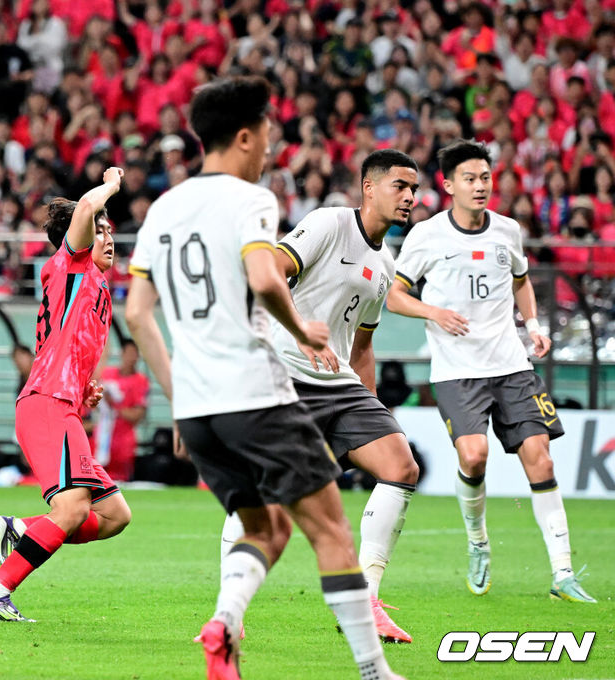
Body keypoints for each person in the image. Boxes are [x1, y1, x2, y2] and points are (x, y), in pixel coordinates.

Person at [124, 77, 401, 680]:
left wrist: (176, 398)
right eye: (270, 131)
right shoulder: (251, 199)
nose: (274, 145)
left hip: (199, 409)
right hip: (256, 392)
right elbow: (265, 277)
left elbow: (137, 314)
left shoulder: (163, 207)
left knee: (265, 528)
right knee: (330, 531)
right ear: (245, 136)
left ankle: (223, 626)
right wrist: (302, 328)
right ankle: (375, 671)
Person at [220, 149, 422, 644]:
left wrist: (372, 408)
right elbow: (271, 270)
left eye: (414, 189)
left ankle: (367, 601)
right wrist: (301, 330)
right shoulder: (329, 224)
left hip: (342, 388)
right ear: (368, 187)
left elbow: (363, 343)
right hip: (288, 376)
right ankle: (228, 612)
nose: (411, 197)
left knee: (402, 467)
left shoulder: (385, 263)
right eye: (401, 186)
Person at [386, 139, 595, 604]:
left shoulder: (506, 231)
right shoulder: (427, 236)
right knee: (474, 456)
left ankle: (562, 573)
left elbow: (521, 281)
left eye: (485, 177)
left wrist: (534, 325)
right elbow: (394, 294)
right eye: (469, 178)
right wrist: (433, 313)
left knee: (540, 457)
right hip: (457, 370)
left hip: (510, 364)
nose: (480, 186)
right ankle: (478, 543)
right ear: (448, 185)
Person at [0, 166, 132, 623]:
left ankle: (24, 531)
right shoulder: (70, 265)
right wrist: (111, 187)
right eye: (98, 230)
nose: (107, 237)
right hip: (45, 405)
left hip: (62, 406)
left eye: (109, 229)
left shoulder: (97, 286)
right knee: (74, 506)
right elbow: (84, 206)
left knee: (116, 515)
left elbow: (61, 348)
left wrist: (84, 393)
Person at [95, 339, 149, 482]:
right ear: (122, 354)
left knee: (121, 480)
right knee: (97, 477)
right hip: (103, 434)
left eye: (134, 354)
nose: (131, 357)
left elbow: (137, 415)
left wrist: (114, 405)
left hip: (124, 438)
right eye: (128, 353)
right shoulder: (107, 373)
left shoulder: (140, 380)